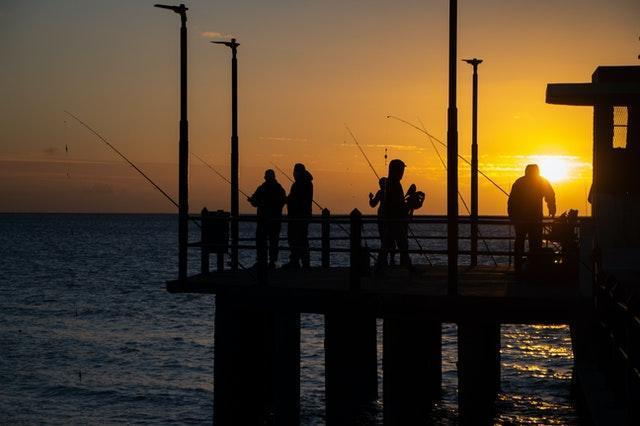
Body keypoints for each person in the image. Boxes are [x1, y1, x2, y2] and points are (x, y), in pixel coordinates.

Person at [508, 164, 556, 272]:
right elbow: (550, 195)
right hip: (535, 218)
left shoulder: (519, 182)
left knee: (520, 242)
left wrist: (512, 216)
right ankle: (534, 266)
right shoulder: (542, 182)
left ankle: (518, 267)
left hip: (522, 219)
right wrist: (552, 209)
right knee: (535, 243)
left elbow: (511, 201)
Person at [376, 159, 412, 273]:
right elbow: (398, 205)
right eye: (401, 170)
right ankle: (409, 268)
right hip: (395, 220)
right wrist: (410, 204)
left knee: (387, 246)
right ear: (396, 170)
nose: (402, 173)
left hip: (392, 220)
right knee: (402, 245)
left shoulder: (391, 183)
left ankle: (378, 268)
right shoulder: (395, 184)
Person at [248, 169, 287, 269]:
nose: (266, 178)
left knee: (268, 241)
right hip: (269, 220)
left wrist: (254, 201)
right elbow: (255, 200)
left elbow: (282, 201)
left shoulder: (268, 188)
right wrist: (253, 201)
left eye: (267, 176)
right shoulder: (271, 188)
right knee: (268, 241)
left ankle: (267, 261)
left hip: (270, 220)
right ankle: (267, 261)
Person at [283, 163, 314, 269]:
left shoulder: (300, 184)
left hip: (298, 216)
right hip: (301, 215)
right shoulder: (306, 183)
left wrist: (287, 200)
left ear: (299, 172)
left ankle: (296, 262)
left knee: (296, 239)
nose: (294, 174)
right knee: (301, 239)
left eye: (295, 172)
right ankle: (301, 262)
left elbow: (296, 199)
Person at [369, 177, 396, 265]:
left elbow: (373, 204)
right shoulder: (391, 193)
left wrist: (370, 198)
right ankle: (391, 259)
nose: (380, 185)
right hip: (389, 218)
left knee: (384, 239)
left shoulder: (381, 192)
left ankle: (385, 260)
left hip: (382, 218)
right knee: (390, 239)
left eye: (381, 183)